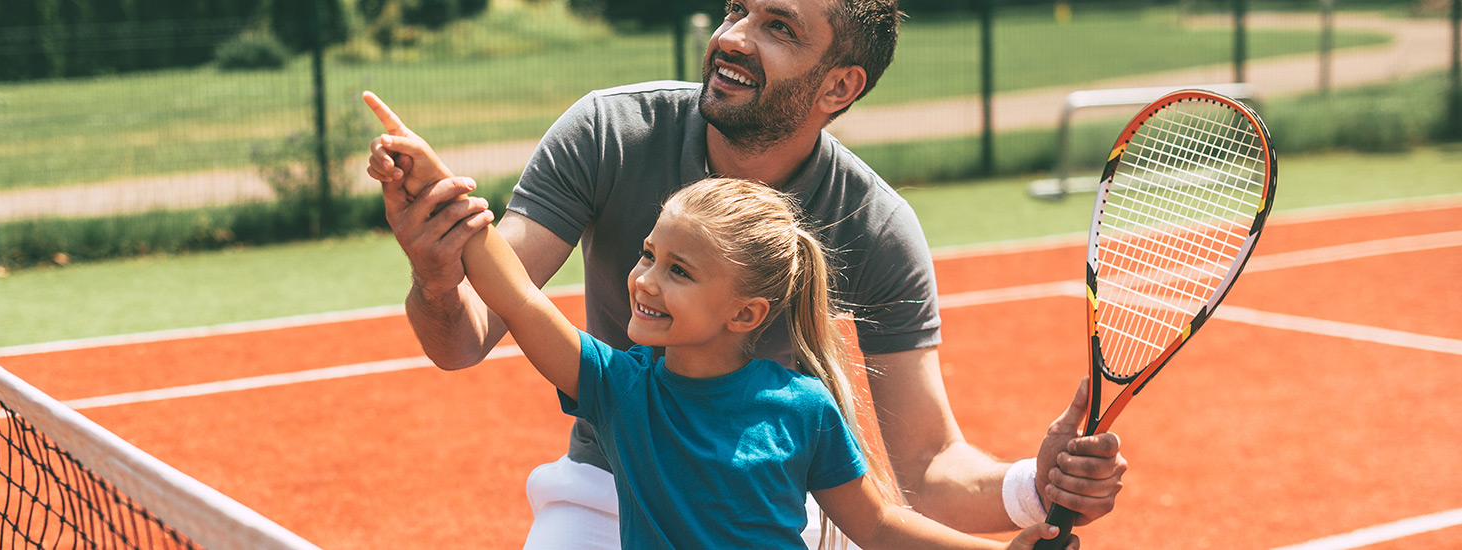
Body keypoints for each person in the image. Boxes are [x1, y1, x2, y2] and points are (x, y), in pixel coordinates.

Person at [364, 0, 1126, 546]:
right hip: (610, 485)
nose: (732, 37)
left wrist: (1036, 488)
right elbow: (476, 329)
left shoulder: (871, 232)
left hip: (769, 506)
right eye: (735, 10)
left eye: (777, 27)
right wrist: (442, 261)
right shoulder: (609, 133)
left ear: (837, 87)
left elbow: (918, 479)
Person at [450, 169, 1069, 548]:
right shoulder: (618, 386)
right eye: (648, 254)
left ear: (745, 314)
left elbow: (877, 526)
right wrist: (446, 199)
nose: (643, 280)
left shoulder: (802, 406)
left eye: (679, 270)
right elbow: (522, 301)